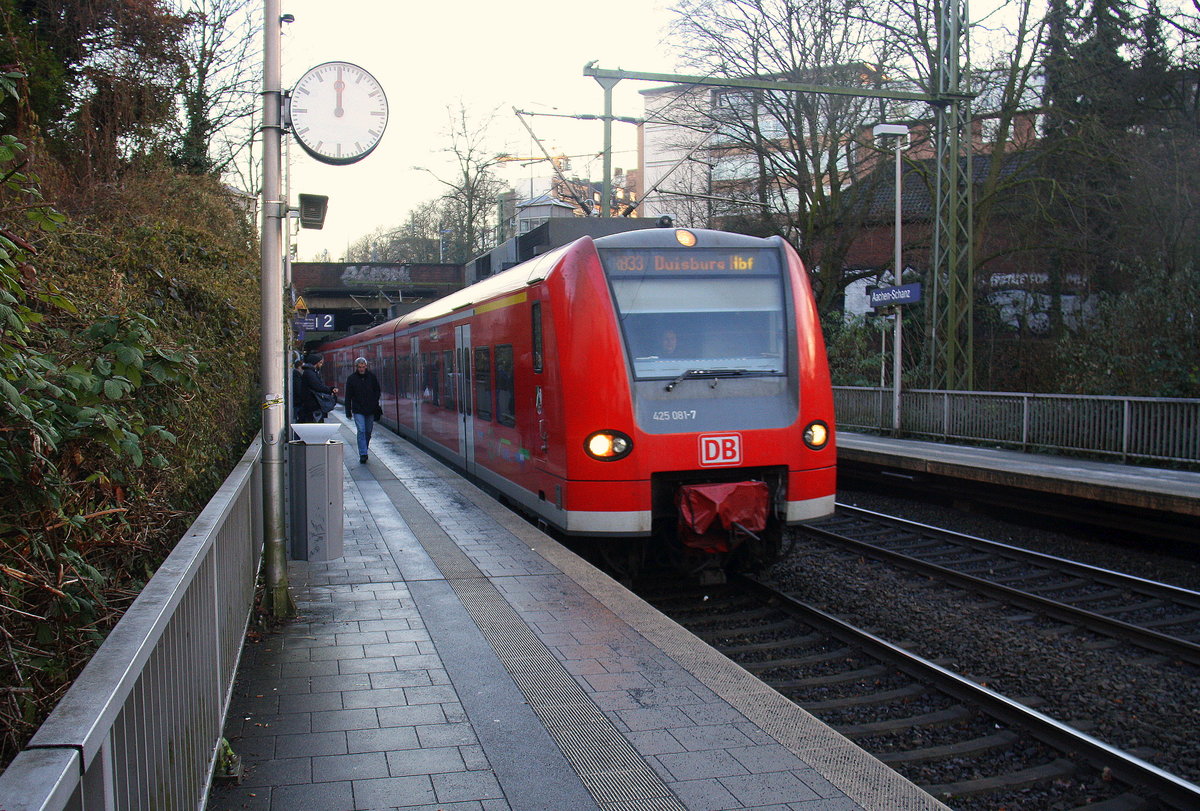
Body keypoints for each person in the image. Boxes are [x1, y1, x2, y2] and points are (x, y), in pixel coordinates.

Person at [344, 356, 381, 463]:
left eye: (363, 367)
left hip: (370, 409)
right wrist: (348, 411)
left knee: (368, 431)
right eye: (359, 367)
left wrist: (374, 402)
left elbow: (377, 391)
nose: (361, 369)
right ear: (356, 367)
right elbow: (348, 396)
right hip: (358, 409)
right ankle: (363, 453)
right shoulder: (351, 379)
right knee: (361, 430)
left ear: (366, 367)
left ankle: (364, 447)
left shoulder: (372, 377)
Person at [298, 353, 337, 423]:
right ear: (316, 362)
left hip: (311, 405)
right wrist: (330, 389)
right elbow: (318, 386)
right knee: (315, 425)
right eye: (320, 363)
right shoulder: (310, 373)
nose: (321, 365)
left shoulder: (310, 372)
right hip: (312, 405)